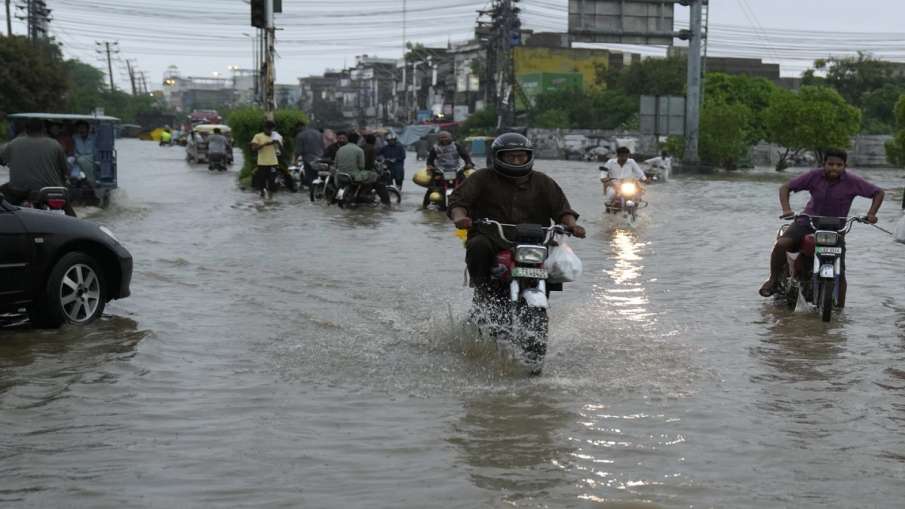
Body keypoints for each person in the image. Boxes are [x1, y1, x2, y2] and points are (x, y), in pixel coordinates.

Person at [448, 133, 586, 300]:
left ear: (529, 156)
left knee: (553, 260)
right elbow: (458, 202)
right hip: (492, 237)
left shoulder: (543, 181)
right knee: (478, 245)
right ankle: (482, 289)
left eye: (520, 156)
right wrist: (459, 218)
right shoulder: (481, 177)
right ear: (498, 156)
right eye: (510, 156)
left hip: (534, 240)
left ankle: (543, 290)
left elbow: (562, 210)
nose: (516, 161)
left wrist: (573, 226)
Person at [759, 148, 884, 304]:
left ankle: (839, 310)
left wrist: (871, 214)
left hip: (835, 228)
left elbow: (878, 192)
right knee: (782, 243)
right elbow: (785, 187)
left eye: (839, 165)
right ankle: (773, 279)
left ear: (845, 166)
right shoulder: (814, 176)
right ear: (824, 164)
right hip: (806, 222)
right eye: (830, 164)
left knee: (841, 271)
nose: (834, 168)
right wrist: (786, 210)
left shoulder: (853, 181)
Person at [0, 117, 76, 216]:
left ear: (26, 129)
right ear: (44, 129)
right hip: (50, 190)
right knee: (69, 211)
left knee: (3, 196)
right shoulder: (54, 144)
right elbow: (66, 170)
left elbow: (2, 159)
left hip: (19, 191)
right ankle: (81, 228)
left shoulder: (13, 143)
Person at [336, 132, 390, 206]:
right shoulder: (359, 150)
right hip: (354, 175)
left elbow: (336, 164)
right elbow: (362, 166)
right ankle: (384, 203)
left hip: (340, 174)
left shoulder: (340, 149)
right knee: (376, 178)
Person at [250, 120, 283, 197]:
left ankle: (271, 198)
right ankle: (262, 196)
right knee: (262, 182)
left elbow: (281, 150)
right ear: (264, 128)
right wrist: (265, 144)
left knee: (272, 182)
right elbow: (253, 148)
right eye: (268, 128)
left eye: (271, 129)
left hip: (273, 163)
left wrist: (278, 143)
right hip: (262, 163)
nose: (270, 130)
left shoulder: (276, 136)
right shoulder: (258, 136)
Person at [294, 120, 325, 187]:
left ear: (299, 127)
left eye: (297, 128)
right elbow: (323, 145)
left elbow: (299, 150)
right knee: (317, 174)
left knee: (310, 175)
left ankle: (312, 189)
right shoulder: (318, 133)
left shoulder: (300, 135)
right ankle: (318, 188)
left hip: (308, 158)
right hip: (320, 157)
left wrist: (295, 159)